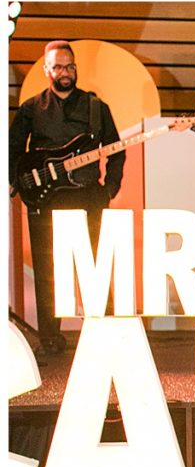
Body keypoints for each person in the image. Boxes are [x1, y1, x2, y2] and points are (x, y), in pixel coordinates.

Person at [9, 40, 125, 355]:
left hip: (88, 197)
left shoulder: (95, 107)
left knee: (97, 267)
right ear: (47, 70)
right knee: (47, 271)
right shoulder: (32, 108)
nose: (65, 72)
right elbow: (13, 150)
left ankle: (107, 332)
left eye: (70, 66)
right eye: (58, 66)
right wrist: (15, 183)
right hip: (44, 200)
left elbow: (116, 149)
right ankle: (50, 338)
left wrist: (109, 188)